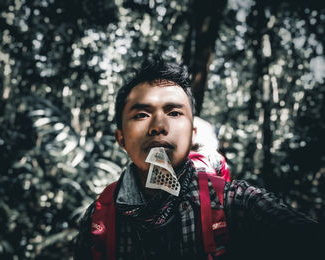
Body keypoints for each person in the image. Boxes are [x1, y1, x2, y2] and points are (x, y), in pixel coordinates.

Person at [74, 57, 320, 260]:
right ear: (121, 139)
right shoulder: (97, 219)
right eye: (141, 114)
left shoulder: (234, 203)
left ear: (193, 134)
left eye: (174, 112)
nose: (158, 126)